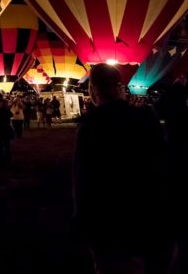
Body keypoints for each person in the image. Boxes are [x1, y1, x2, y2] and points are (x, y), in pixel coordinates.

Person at [72, 64, 177, 274]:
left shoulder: (91, 125)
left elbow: (84, 178)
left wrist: (83, 221)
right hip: (149, 215)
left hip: (109, 222)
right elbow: (165, 165)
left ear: (93, 91)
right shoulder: (146, 117)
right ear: (121, 88)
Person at [0, 94, 13, 167]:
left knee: (6, 145)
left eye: (2, 102)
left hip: (4, 128)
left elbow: (11, 115)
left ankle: (6, 159)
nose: (1, 103)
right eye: (0, 102)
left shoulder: (4, 110)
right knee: (0, 145)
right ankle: (2, 159)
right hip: (0, 128)